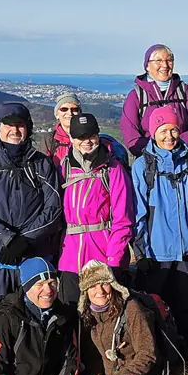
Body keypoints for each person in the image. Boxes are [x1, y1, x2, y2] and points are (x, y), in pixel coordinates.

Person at [0, 102, 63, 312]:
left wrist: (25, 239)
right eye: (8, 125)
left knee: (37, 319)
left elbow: (53, 208)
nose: (15, 130)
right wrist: (8, 238)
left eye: (20, 124)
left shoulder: (41, 164)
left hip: (34, 256)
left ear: (28, 127)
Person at [130, 106, 188, 343]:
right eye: (163, 130)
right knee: (156, 311)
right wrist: (142, 253)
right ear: (153, 132)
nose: (169, 136)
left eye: (174, 130)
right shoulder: (143, 166)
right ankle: (162, 363)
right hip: (157, 255)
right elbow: (138, 213)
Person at [67, 260, 164, 375]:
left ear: (113, 284)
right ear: (85, 291)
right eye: (92, 286)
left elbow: (147, 355)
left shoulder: (132, 309)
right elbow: (93, 361)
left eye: (104, 283)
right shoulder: (86, 317)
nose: (100, 291)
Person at [54, 111, 134, 307]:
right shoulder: (63, 168)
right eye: (81, 137)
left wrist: (114, 260)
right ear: (71, 138)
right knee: (71, 316)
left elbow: (123, 220)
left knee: (104, 315)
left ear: (98, 135)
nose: (87, 141)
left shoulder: (113, 170)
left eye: (91, 135)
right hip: (70, 257)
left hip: (103, 253)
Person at [120, 44, 188, 157]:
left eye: (169, 60)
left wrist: (180, 146)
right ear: (147, 65)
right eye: (159, 61)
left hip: (182, 157)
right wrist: (153, 152)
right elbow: (130, 131)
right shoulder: (137, 95)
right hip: (149, 161)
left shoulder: (183, 91)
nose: (165, 65)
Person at [41, 93, 83, 168]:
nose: (70, 113)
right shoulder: (49, 140)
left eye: (74, 109)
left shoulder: (88, 137)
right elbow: (43, 168)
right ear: (57, 114)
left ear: (80, 113)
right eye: (64, 109)